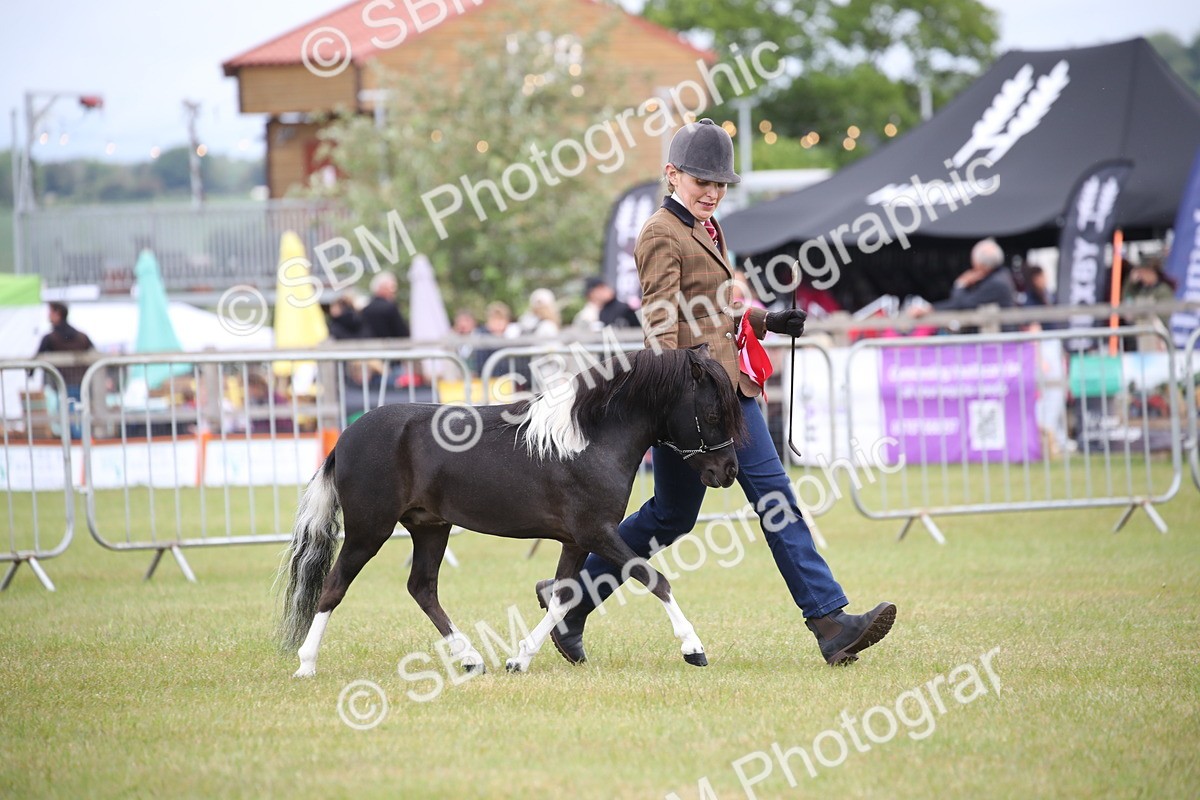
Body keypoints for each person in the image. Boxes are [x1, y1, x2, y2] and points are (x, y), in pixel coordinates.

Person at [538, 118, 896, 667]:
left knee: (670, 517)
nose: (712, 192)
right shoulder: (661, 232)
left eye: (720, 183)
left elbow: (710, 304)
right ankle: (829, 621)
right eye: (701, 181)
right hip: (698, 403)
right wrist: (683, 401)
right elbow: (661, 325)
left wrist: (765, 318)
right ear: (671, 175)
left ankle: (571, 603)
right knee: (767, 503)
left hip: (720, 393)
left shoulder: (706, 228)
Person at [35, 301, 95, 439]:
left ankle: (77, 442)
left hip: (64, 383)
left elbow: (37, 356)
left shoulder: (50, 338)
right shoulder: (81, 336)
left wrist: (31, 372)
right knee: (80, 414)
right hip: (82, 382)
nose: (48, 315)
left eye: (50, 312)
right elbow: (94, 353)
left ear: (57, 314)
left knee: (69, 415)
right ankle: (82, 441)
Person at [574, 277, 640, 331]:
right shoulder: (584, 316)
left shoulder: (621, 308)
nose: (607, 289)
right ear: (592, 293)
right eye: (601, 287)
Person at [360, 271, 411, 339]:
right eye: (392, 287)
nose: (394, 291)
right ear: (382, 288)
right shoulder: (390, 308)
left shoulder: (365, 309)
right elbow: (402, 333)